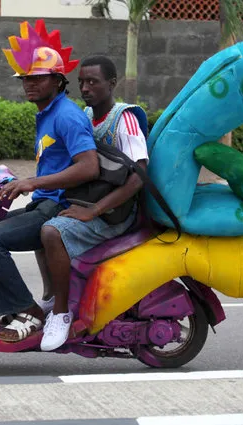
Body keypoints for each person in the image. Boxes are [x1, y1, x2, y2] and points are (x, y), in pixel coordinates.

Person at [0, 25, 99, 344]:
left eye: (37, 78)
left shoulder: (67, 116)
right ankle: (14, 306)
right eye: (26, 79)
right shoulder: (45, 113)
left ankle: (29, 312)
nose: (29, 84)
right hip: (42, 202)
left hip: (57, 207)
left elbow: (89, 166)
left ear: (57, 81)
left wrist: (32, 182)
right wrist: (18, 183)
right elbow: (56, 162)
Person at [39, 55, 150, 351]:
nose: (86, 88)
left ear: (112, 84)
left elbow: (139, 176)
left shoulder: (123, 119)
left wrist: (95, 210)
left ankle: (61, 314)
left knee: (52, 231)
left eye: (93, 82)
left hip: (115, 213)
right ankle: (52, 296)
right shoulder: (86, 115)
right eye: (81, 83)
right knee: (37, 219)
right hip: (92, 204)